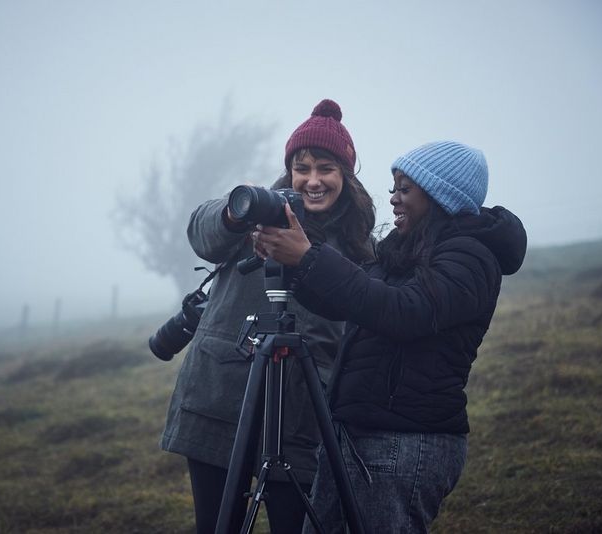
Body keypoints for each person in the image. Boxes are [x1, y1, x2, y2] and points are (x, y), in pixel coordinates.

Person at [253, 140, 528, 533]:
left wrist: (309, 256)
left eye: (405, 188)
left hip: (405, 441)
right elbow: (354, 301)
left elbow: (403, 312)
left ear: (438, 195)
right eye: (394, 186)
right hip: (359, 433)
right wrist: (293, 263)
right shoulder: (409, 249)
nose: (393, 198)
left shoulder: (470, 256)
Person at [160, 99, 377, 533]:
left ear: (346, 176)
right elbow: (199, 232)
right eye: (303, 167)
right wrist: (232, 212)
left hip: (302, 417)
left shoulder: (357, 245)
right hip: (221, 402)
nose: (312, 180)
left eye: (326, 168)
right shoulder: (259, 213)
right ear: (290, 170)